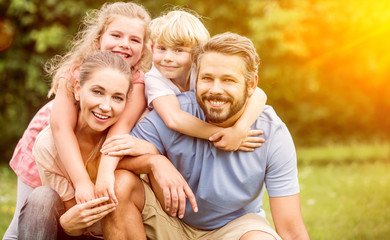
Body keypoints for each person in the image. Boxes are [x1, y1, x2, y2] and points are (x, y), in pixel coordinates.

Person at [101, 32, 310, 240]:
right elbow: (117, 161)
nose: (215, 90)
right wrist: (155, 162)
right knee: (121, 184)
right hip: (169, 222)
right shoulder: (174, 113)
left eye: (228, 80)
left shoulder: (272, 132)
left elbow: (291, 230)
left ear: (252, 85)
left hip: (234, 227)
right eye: (207, 78)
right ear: (196, 78)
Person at [3, 2, 152, 239]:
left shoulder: (139, 82)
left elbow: (121, 128)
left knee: (80, 216)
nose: (124, 44)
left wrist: (104, 173)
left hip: (95, 148)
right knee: (26, 219)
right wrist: (82, 182)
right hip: (52, 140)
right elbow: (61, 128)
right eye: (116, 35)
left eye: (135, 39)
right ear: (99, 37)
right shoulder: (76, 70)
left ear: (144, 48)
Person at [97, 9, 267, 198]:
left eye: (178, 50)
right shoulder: (155, 78)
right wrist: (223, 135)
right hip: (166, 140)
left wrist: (239, 131)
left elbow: (258, 94)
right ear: (152, 49)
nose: (168, 57)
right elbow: (174, 119)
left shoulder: (201, 71)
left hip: (193, 144)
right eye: (162, 49)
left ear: (196, 54)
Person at [18, 51, 158, 239]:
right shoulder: (49, 146)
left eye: (117, 97)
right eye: (97, 92)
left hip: (120, 230)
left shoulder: (129, 134)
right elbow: (80, 222)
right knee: (41, 199)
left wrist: (153, 155)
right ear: (77, 88)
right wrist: (68, 224)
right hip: (78, 232)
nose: (106, 106)